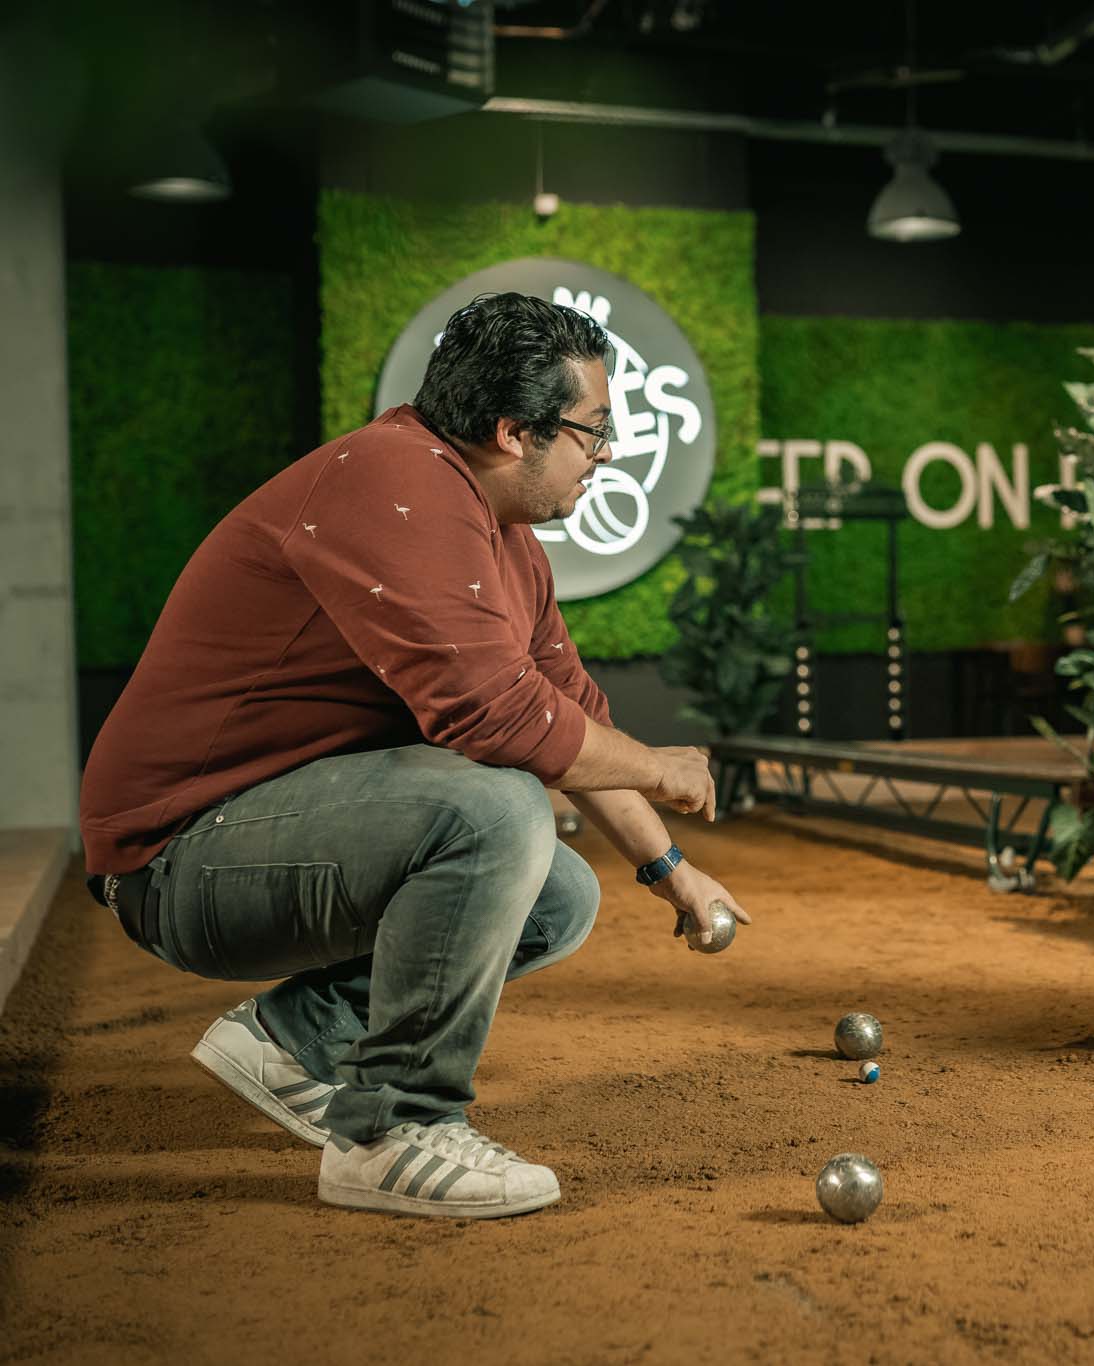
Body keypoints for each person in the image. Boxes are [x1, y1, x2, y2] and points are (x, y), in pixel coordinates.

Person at [79, 293, 750, 1216]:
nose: (608, 456)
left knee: (560, 895)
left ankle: (294, 1040)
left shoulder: (503, 535)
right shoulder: (396, 483)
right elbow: (500, 721)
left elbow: (567, 715)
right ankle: (392, 1133)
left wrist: (673, 870)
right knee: (494, 807)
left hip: (265, 827)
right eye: (595, 432)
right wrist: (658, 766)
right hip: (176, 858)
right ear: (517, 431)